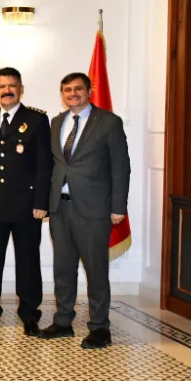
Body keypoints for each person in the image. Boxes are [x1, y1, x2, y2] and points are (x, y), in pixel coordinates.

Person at [39, 72, 130, 349]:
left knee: (95, 270)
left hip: (94, 209)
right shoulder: (57, 122)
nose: (72, 94)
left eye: (78, 89)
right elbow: (54, 166)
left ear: (89, 91)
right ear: (62, 94)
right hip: (60, 208)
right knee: (63, 269)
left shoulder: (109, 122)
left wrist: (118, 207)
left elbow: (121, 166)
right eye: (67, 90)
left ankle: (100, 328)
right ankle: (63, 321)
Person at [0, 67, 52, 336]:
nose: (7, 90)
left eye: (12, 85)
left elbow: (44, 166)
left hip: (27, 206)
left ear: (21, 88)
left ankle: (29, 313)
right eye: (1, 86)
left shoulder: (37, 120)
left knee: (28, 261)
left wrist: (42, 202)